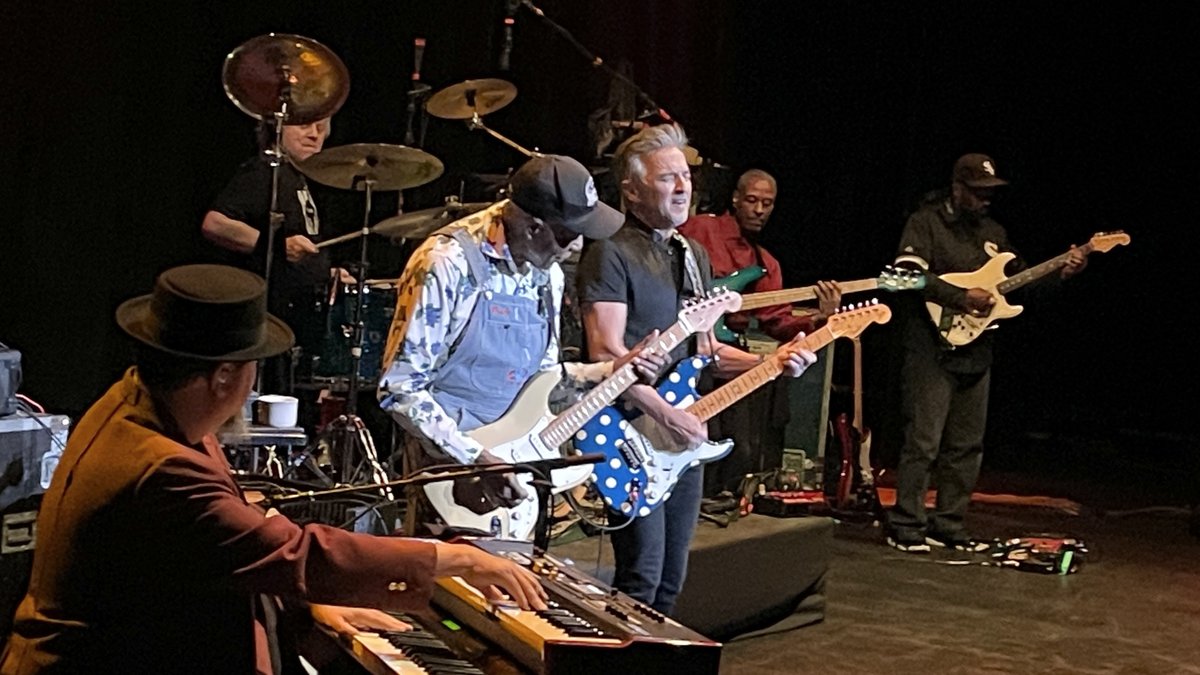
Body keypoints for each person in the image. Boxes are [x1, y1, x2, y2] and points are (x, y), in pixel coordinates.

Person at [0, 264, 546, 675]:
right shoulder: (161, 468)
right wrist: (455, 558)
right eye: (252, 372)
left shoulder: (135, 400)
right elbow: (293, 551)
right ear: (223, 378)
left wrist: (313, 607)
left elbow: (227, 554)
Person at [574, 123, 818, 614]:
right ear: (631, 189)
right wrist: (668, 415)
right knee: (639, 577)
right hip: (629, 430)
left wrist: (772, 362)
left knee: (669, 582)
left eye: (685, 175)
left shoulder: (692, 255)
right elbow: (605, 355)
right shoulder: (610, 250)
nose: (683, 187)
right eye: (667, 178)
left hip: (679, 436)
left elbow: (704, 354)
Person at [377, 154, 665, 537]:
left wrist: (611, 372)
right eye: (566, 234)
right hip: (449, 476)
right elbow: (400, 389)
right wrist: (477, 459)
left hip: (514, 474)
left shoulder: (547, 273)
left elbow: (542, 382)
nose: (577, 246)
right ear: (532, 228)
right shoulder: (446, 263)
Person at [885, 153, 1087, 553]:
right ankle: (906, 525)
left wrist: (1061, 272)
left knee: (966, 444)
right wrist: (959, 296)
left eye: (989, 193)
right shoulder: (926, 222)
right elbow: (904, 275)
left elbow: (1019, 285)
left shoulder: (994, 233)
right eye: (977, 192)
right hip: (930, 347)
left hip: (977, 348)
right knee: (924, 441)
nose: (985, 200)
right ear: (957, 188)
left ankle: (949, 524)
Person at [678, 169, 842, 496]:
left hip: (729, 355)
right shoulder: (701, 229)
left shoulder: (766, 263)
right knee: (691, 441)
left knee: (739, 449)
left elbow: (777, 322)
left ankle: (719, 509)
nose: (759, 210)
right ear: (736, 199)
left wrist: (820, 318)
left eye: (767, 204)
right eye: (752, 200)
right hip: (686, 348)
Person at [201, 117, 350, 394]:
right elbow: (215, 223)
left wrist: (325, 273)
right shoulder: (264, 172)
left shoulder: (298, 179)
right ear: (277, 127)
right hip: (264, 322)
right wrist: (274, 245)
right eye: (305, 125)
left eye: (322, 127)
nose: (314, 135)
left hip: (291, 325)